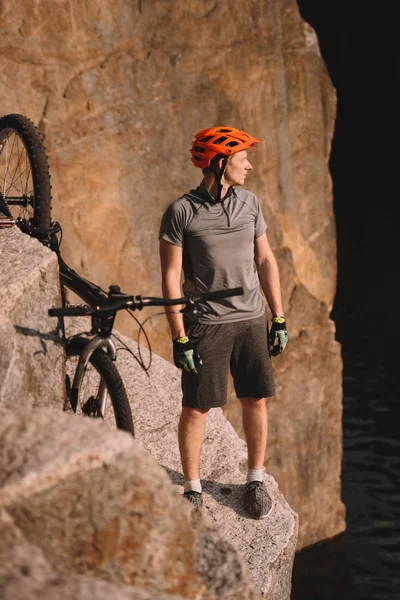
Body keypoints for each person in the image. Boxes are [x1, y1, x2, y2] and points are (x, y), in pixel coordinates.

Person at [159, 126, 288, 519]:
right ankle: (193, 489)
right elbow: (170, 276)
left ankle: (254, 480)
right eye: (241, 158)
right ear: (219, 163)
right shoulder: (181, 211)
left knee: (256, 399)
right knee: (197, 407)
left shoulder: (250, 203)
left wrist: (278, 316)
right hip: (206, 324)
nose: (248, 165)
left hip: (251, 320)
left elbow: (265, 260)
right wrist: (179, 337)